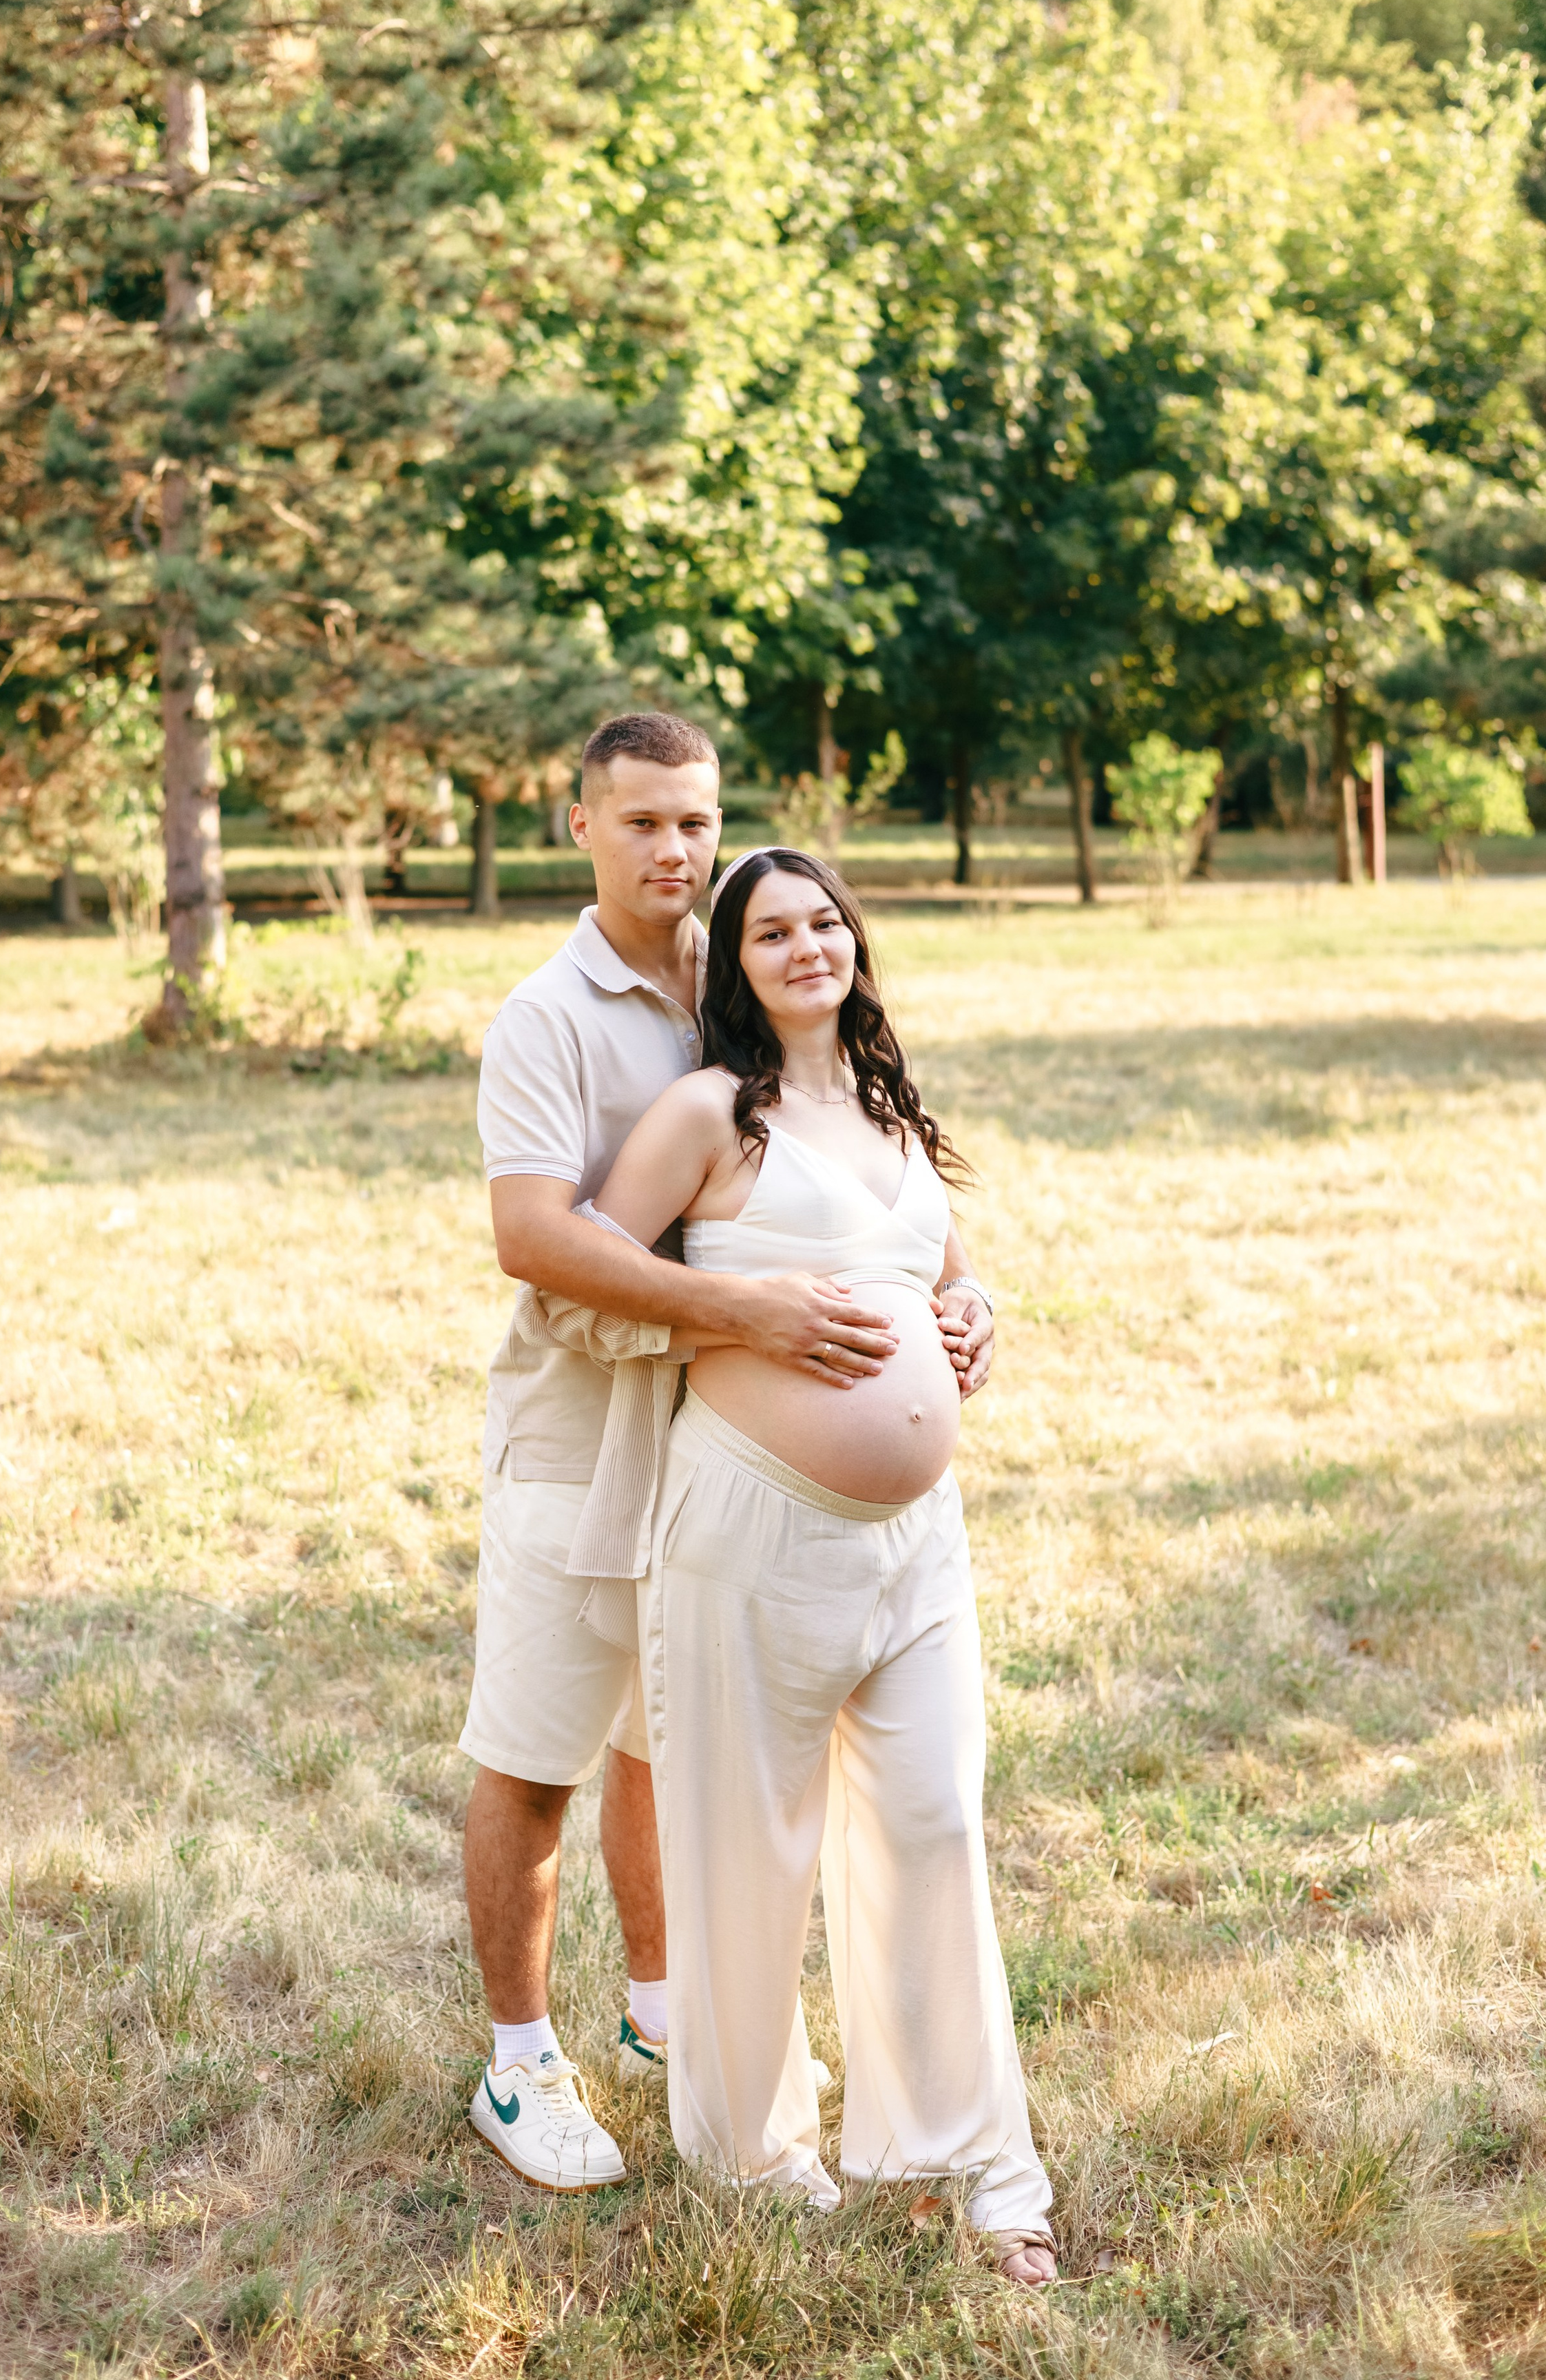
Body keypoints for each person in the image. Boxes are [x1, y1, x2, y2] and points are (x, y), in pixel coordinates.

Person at [460, 718, 994, 2194]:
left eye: (693, 821)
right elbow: (533, 1236)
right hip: (583, 1439)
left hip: (715, 1465)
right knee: (538, 1752)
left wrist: (956, 1301)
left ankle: (663, 2011)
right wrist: (744, 1312)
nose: (672, 849)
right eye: (640, 822)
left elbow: (850, 1185)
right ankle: (518, 2064)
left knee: (663, 1747)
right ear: (581, 825)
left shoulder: (738, 970)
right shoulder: (548, 1017)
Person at [583, 845, 1057, 2280]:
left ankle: (968, 2158)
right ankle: (756, 2156)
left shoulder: (887, 1107)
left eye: (825, 922)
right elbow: (588, 1283)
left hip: (917, 1541)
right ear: (732, 965)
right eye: (771, 931)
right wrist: (746, 1317)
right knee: (751, 1844)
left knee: (935, 1825)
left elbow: (945, 1268)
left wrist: (973, 1310)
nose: (807, 947)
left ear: (855, 941)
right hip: (751, 1524)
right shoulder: (706, 1114)